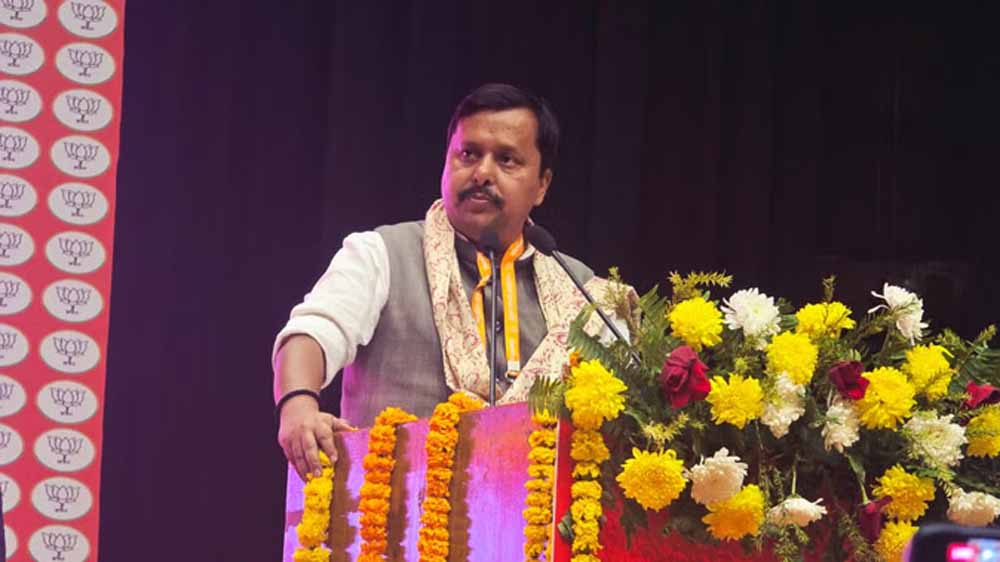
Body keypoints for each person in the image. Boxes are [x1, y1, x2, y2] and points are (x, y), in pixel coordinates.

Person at [273, 83, 616, 480]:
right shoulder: (382, 254)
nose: (482, 173)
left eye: (506, 160)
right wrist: (298, 405)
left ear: (542, 185)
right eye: (468, 154)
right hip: (387, 511)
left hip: (534, 514)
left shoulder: (583, 296)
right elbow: (313, 332)